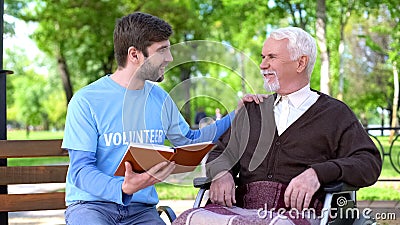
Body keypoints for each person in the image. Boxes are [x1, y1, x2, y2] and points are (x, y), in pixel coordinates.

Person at [62, 12, 265, 225]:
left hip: (141, 211)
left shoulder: (159, 98)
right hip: (93, 208)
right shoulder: (86, 101)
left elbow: (189, 140)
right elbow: (81, 170)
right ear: (134, 54)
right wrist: (123, 188)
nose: (170, 58)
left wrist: (237, 113)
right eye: (162, 50)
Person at [173, 27, 382, 225]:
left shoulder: (335, 114)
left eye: (272, 57)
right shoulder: (253, 110)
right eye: (263, 57)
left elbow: (368, 161)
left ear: (300, 63)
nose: (263, 65)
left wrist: (318, 173)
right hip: (241, 206)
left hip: (297, 211)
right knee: (188, 218)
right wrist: (220, 173)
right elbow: (221, 152)